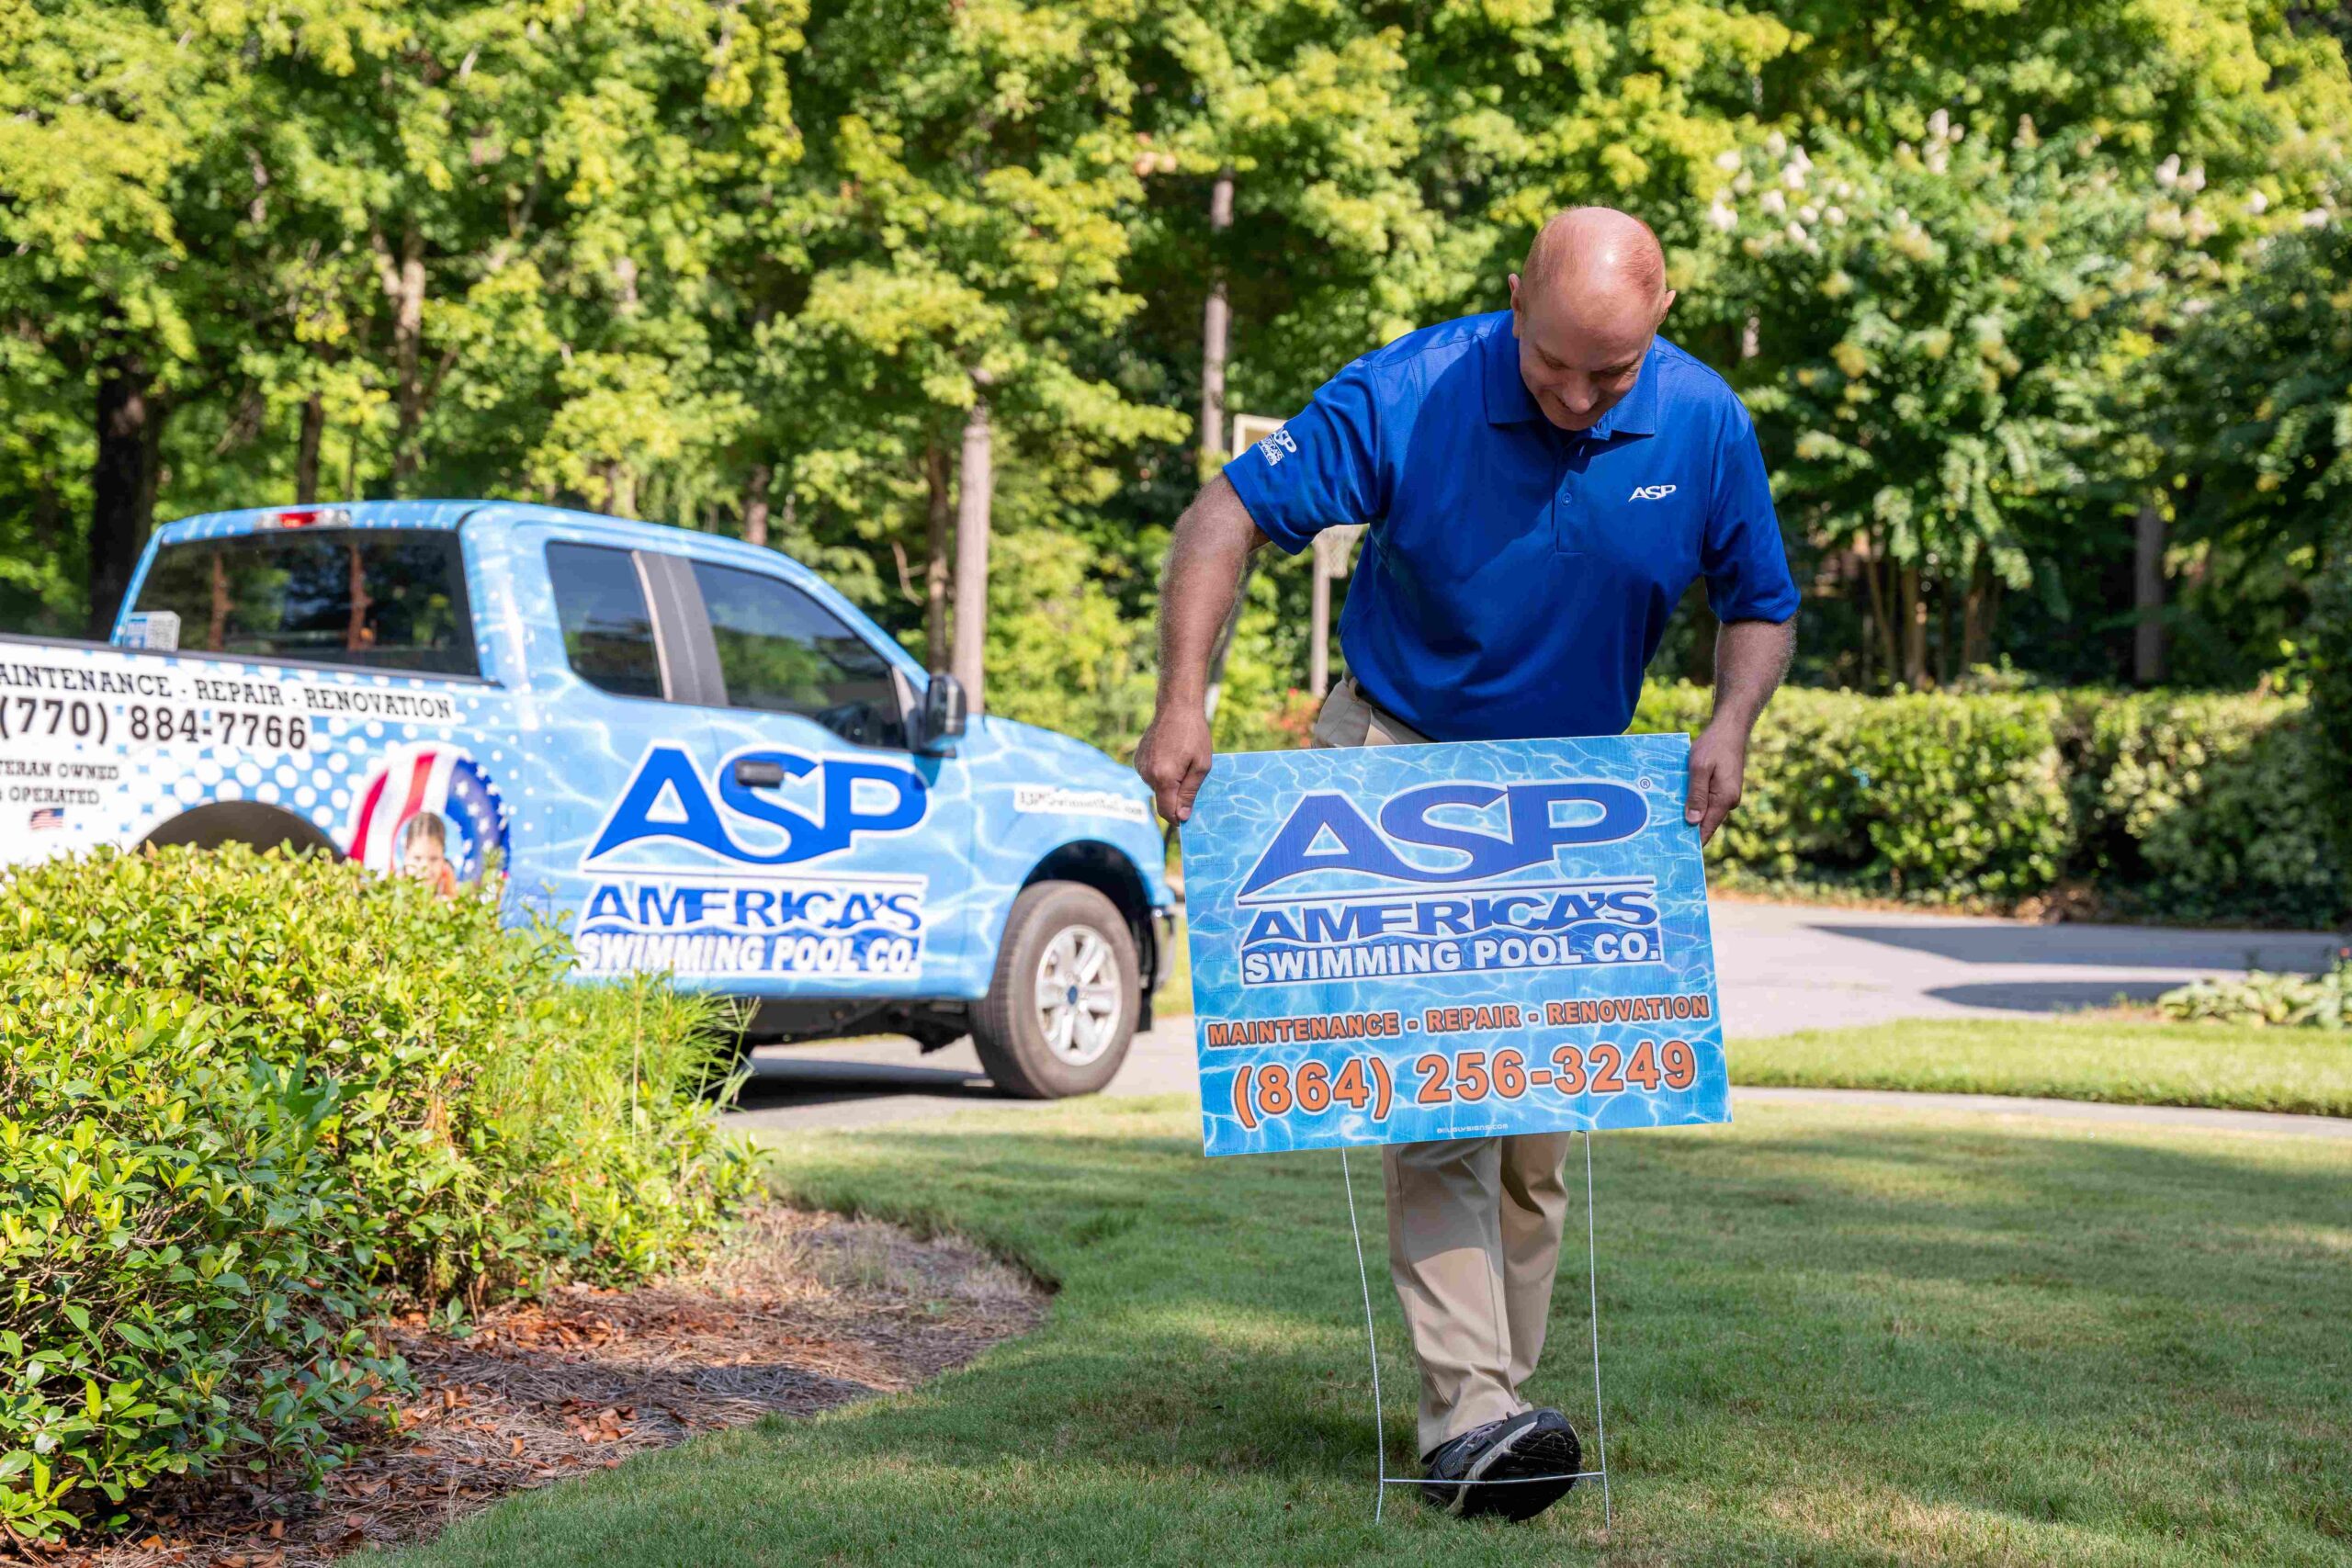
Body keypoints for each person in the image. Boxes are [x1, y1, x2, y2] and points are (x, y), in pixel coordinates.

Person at [1136, 207, 1798, 1522]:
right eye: (1551, 359)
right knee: (1439, 1108)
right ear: (1515, 298)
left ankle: (1496, 1400)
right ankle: (1472, 1412)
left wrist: (1731, 721)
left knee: (1536, 1136)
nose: (1572, 393)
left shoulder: (1705, 422)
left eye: (1606, 375)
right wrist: (1183, 698)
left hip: (1570, 789)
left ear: (1661, 318)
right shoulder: (1414, 388)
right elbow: (1228, 514)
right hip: (1400, 759)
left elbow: (1760, 598)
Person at [398, 811, 461, 898]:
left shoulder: (454, 892)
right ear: (405, 855)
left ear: (443, 857)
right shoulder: (392, 892)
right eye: (417, 858)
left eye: (434, 859)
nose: (426, 866)